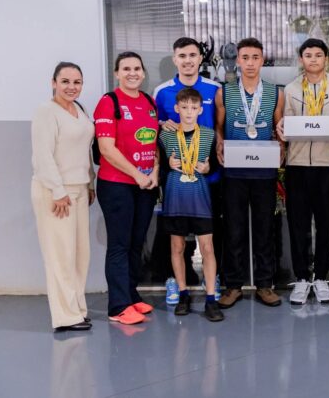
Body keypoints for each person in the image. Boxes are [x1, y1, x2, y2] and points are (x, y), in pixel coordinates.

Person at [277, 38, 329, 306]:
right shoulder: (291, 88)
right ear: (301, 59)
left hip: (327, 165)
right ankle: (301, 278)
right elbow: (284, 122)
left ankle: (320, 277)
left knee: (325, 224)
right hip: (297, 166)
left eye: (319, 55)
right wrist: (281, 129)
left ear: (326, 59)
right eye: (308, 55)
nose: (313, 59)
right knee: (297, 224)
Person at [215, 38, 284, 309]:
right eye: (246, 57)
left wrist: (282, 147)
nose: (251, 63)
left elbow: (279, 128)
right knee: (234, 229)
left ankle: (265, 284)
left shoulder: (275, 92)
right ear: (238, 60)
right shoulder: (225, 92)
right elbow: (219, 127)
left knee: (265, 229)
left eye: (256, 57)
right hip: (234, 171)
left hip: (264, 171)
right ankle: (233, 285)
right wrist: (220, 141)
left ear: (262, 59)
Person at [152, 37, 223, 291]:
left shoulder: (215, 89)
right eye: (182, 56)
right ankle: (176, 282)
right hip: (176, 175)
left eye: (192, 55)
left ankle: (213, 282)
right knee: (176, 237)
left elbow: (219, 126)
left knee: (210, 234)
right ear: (175, 59)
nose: (188, 60)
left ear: (200, 58)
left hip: (207, 175)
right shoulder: (162, 92)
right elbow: (155, 129)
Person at [94, 51, 159, 325]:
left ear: (143, 73)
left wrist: (153, 172)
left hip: (145, 186)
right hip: (117, 186)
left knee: (136, 244)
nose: (132, 73)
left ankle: (132, 296)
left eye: (137, 68)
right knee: (119, 245)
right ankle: (118, 306)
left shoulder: (148, 101)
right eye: (126, 68)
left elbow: (153, 144)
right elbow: (106, 150)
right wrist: (137, 175)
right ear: (117, 73)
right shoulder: (109, 103)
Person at [31, 62, 95, 331]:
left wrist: (90, 183)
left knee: (81, 255)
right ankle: (65, 317)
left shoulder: (80, 109)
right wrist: (57, 192)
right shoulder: (46, 112)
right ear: (53, 82)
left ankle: (77, 310)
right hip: (55, 192)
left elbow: (86, 151)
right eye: (66, 81)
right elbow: (43, 156)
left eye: (77, 82)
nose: (72, 87)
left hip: (80, 189)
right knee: (60, 255)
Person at [158, 88, 223, 321]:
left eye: (193, 107)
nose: (188, 112)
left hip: (200, 199)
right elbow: (161, 167)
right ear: (176, 109)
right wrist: (167, 162)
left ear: (200, 109)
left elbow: (214, 166)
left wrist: (208, 169)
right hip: (175, 199)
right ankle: (183, 294)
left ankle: (210, 299)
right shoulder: (165, 135)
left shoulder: (208, 135)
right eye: (184, 107)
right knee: (177, 248)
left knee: (207, 249)